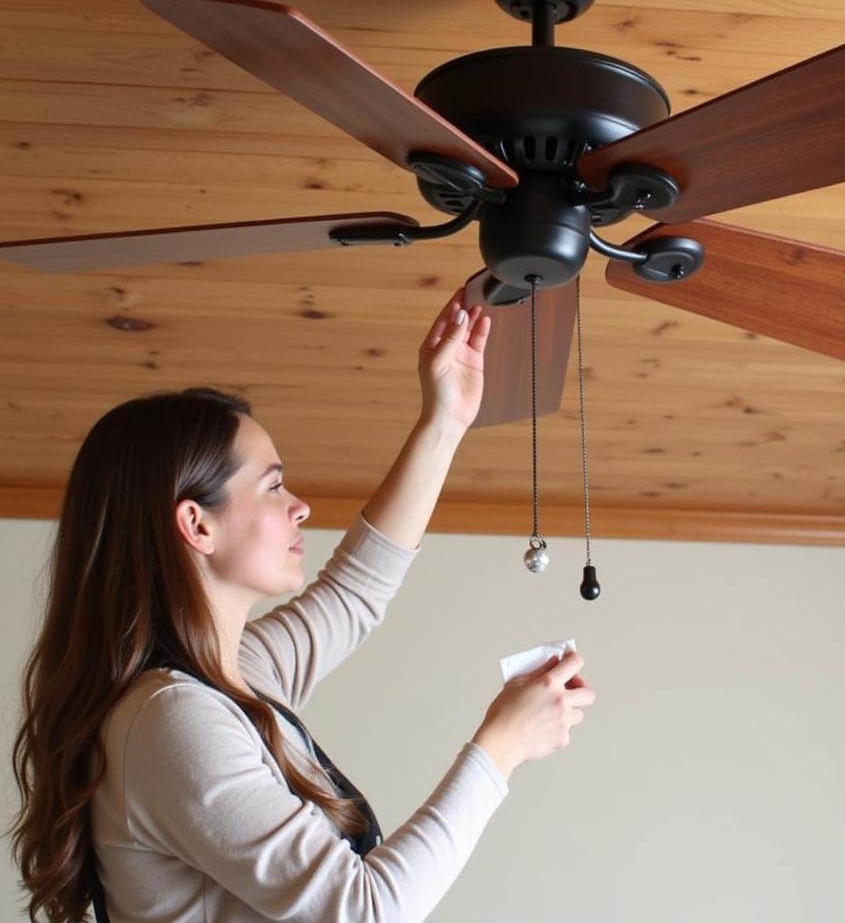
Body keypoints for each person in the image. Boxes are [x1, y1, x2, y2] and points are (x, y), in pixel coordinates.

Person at [10, 288, 596, 923]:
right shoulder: (172, 721)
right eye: (273, 486)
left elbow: (357, 589)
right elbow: (365, 910)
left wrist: (445, 419)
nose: (300, 506)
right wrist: (502, 744)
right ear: (197, 525)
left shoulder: (231, 679)